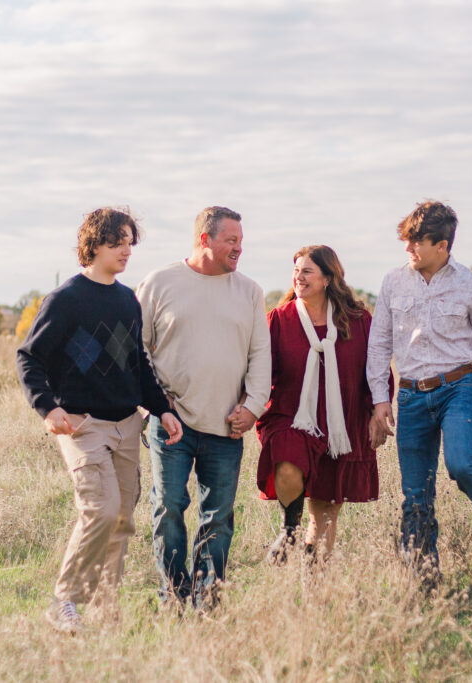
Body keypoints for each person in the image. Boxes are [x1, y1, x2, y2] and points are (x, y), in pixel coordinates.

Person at [17, 207, 183, 634]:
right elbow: (29, 357)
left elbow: (139, 365)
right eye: (117, 242)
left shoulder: (128, 300)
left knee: (122, 520)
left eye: (130, 241)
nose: (126, 250)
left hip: (128, 423)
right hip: (81, 425)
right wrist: (48, 408)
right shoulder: (66, 299)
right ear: (93, 245)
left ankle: (106, 613)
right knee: (101, 509)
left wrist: (162, 409)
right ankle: (64, 601)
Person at [367, 200, 472, 582]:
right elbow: (378, 343)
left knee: (461, 464)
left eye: (416, 242)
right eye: (406, 241)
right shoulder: (392, 282)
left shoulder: (471, 285)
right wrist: (379, 398)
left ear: (442, 245)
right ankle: (423, 576)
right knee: (415, 494)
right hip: (410, 395)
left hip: (459, 389)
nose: (408, 249)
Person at [136, 206, 270, 607]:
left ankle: (208, 600)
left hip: (227, 426)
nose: (238, 249)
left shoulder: (249, 291)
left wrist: (252, 408)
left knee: (219, 517)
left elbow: (261, 355)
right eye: (231, 241)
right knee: (169, 508)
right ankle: (174, 598)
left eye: (241, 242)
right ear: (203, 240)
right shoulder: (160, 283)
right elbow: (136, 349)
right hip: (171, 423)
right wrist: (153, 405)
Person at [255, 245, 391, 564]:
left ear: (328, 278)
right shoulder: (278, 320)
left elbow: (377, 368)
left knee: (326, 514)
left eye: (307, 271)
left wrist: (376, 411)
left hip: (340, 424)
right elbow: (258, 369)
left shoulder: (357, 321)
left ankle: (314, 584)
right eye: (296, 271)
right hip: (291, 417)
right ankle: (289, 529)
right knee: (287, 464)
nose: (298, 277)